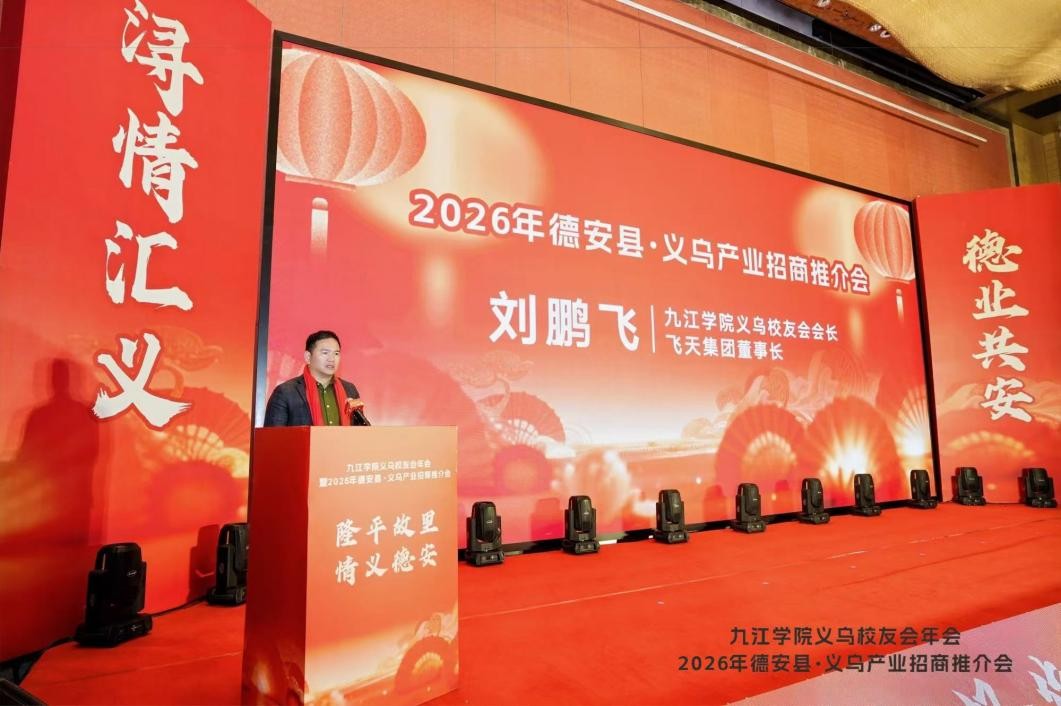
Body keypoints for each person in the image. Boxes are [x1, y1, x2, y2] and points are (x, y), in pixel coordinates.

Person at [263, 330, 370, 427]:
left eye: (336, 353)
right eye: (325, 353)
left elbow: (361, 432)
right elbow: (273, 437)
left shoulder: (349, 389)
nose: (332, 359)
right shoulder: (286, 392)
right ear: (308, 357)